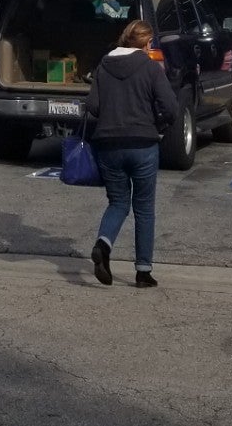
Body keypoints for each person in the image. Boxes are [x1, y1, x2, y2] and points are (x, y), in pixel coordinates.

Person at [83, 19, 178, 288]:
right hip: (143, 144)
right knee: (144, 208)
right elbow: (170, 107)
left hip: (109, 145)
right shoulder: (150, 67)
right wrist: (159, 126)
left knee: (118, 203)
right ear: (146, 43)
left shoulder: (103, 66)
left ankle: (103, 244)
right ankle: (143, 272)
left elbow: (93, 105)